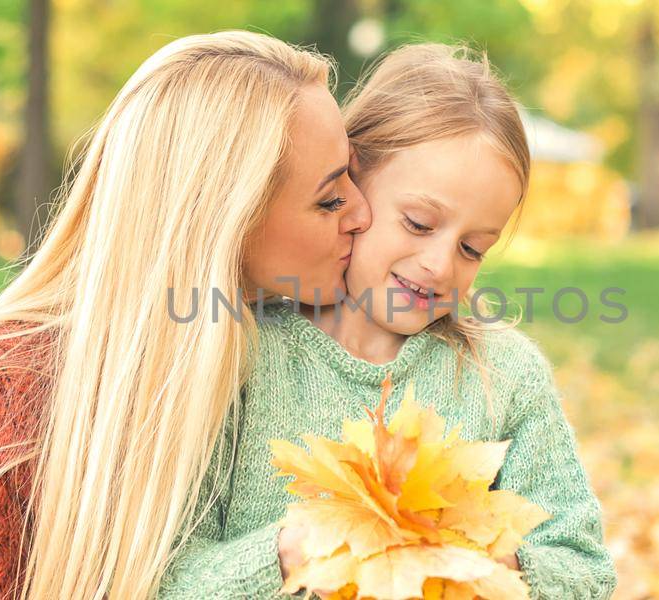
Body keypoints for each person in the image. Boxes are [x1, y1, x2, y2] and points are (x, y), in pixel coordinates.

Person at [0, 30, 370, 599]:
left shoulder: (299, 356)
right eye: (330, 199)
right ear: (220, 220)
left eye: (354, 180)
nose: (363, 214)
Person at [157, 44, 617, 599]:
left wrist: (489, 559)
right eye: (420, 224)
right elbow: (166, 579)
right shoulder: (242, 355)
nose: (440, 264)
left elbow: (588, 573)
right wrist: (285, 556)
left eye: (473, 248)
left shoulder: (505, 376)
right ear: (348, 187)